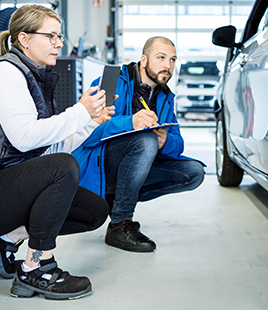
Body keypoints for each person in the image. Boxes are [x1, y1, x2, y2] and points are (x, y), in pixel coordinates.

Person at [0, 5, 113, 300]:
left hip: (4, 190)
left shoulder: (32, 76)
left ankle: (4, 239)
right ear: (24, 38)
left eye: (59, 36)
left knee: (94, 212)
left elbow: (47, 149)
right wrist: (79, 112)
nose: (59, 43)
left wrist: (89, 122)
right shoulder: (5, 72)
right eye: (51, 36)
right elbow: (23, 139)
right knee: (63, 167)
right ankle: (36, 268)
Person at [72, 36, 205, 253]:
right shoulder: (111, 81)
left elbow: (178, 143)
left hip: (136, 167)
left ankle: (122, 195)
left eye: (172, 60)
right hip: (102, 164)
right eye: (161, 57)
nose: (168, 66)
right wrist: (130, 122)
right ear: (143, 60)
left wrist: (165, 141)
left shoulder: (165, 97)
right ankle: (119, 223)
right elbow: (87, 133)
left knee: (194, 172)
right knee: (146, 140)